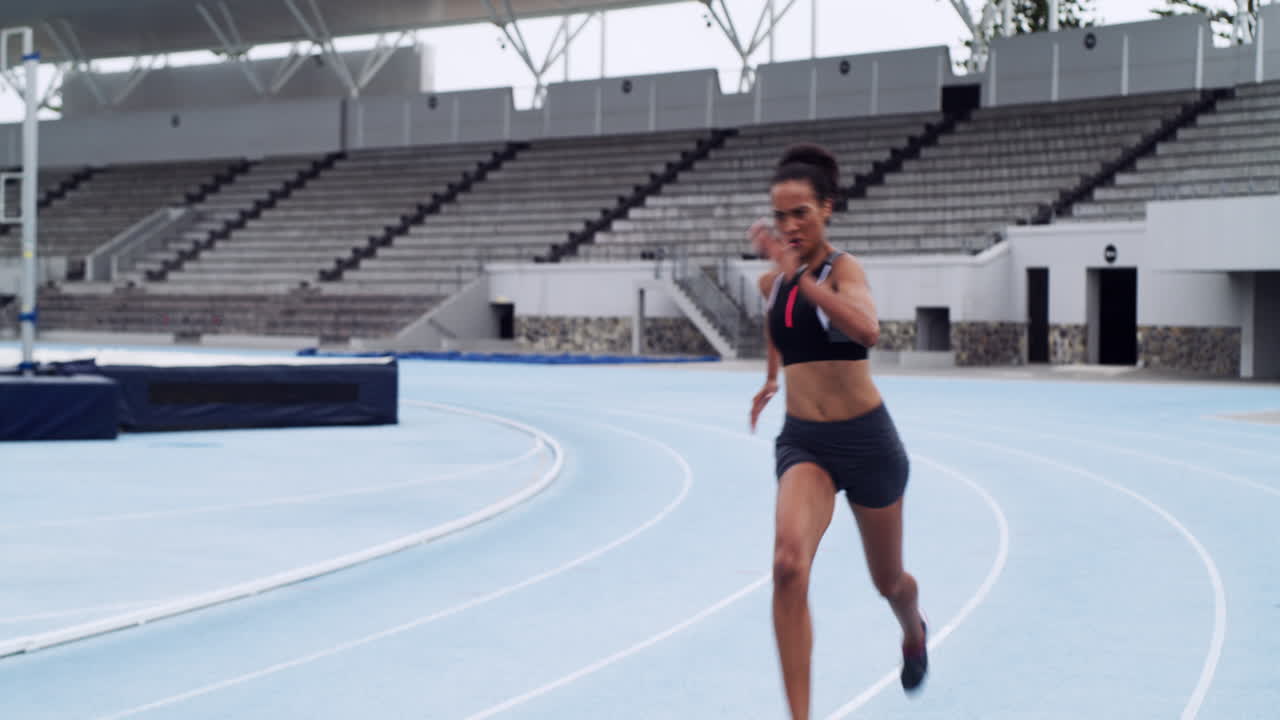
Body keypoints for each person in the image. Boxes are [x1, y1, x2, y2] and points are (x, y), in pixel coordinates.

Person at [748, 143, 927, 719]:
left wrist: (806, 280)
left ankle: (913, 625)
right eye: (780, 216)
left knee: (889, 581)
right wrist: (772, 378)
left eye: (800, 212)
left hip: (867, 444)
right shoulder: (771, 283)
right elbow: (781, 325)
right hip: (806, 442)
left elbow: (867, 329)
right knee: (787, 565)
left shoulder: (842, 270)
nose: (790, 225)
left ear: (827, 208)